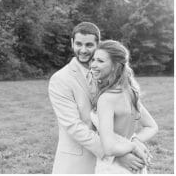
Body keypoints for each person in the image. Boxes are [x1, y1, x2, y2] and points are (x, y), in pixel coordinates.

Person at [48, 22, 149, 174]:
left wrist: (132, 140)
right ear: (72, 43)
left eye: (89, 45)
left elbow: (126, 116)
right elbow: (74, 127)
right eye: (78, 44)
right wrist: (116, 155)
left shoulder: (109, 75)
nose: (83, 50)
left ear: (98, 44)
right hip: (78, 164)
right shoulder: (60, 79)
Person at [90, 40, 158, 173]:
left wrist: (133, 146)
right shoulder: (130, 91)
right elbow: (152, 126)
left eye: (100, 61)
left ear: (115, 66)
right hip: (132, 166)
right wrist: (135, 141)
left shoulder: (106, 98)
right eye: (93, 60)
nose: (93, 65)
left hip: (113, 169)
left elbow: (109, 148)